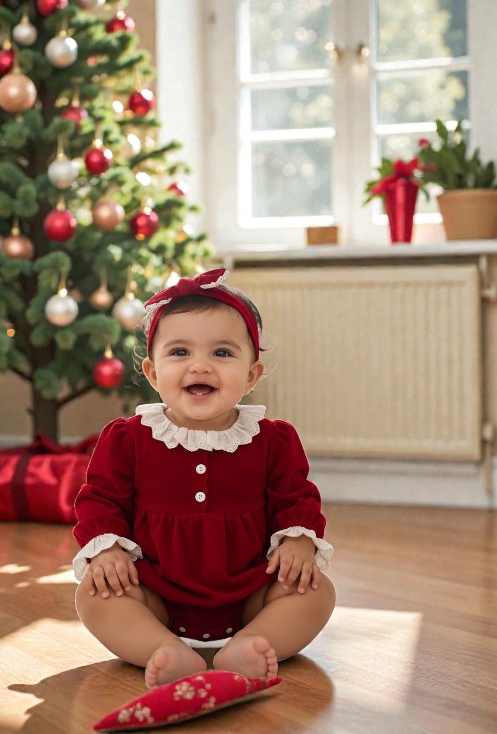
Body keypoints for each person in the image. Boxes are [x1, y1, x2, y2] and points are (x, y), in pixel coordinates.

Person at [72, 267, 335, 688]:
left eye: (222, 353)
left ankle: (250, 644)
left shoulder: (273, 440)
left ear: (252, 376)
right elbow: (100, 500)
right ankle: (163, 648)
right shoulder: (127, 438)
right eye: (179, 353)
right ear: (153, 373)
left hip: (251, 590)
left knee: (315, 591)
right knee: (95, 594)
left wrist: (298, 540)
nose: (200, 366)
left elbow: (296, 498)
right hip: (156, 590)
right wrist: (106, 552)